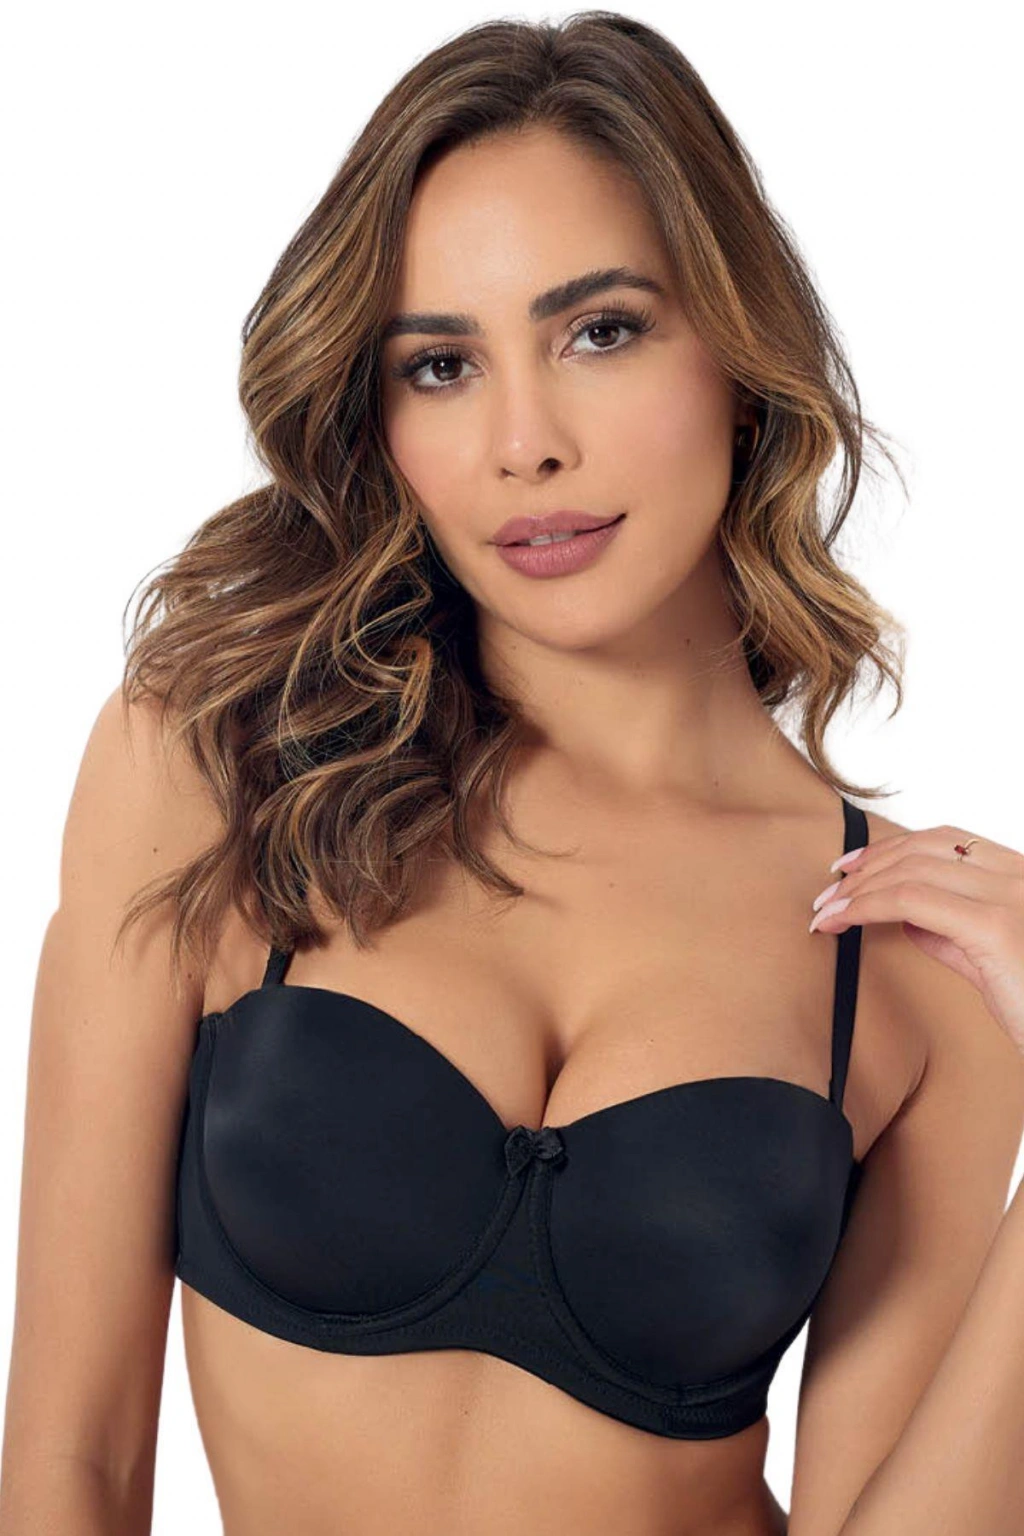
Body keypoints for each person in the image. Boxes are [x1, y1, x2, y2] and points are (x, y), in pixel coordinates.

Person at [3, 13, 1023, 1536]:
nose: (522, 444)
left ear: (741, 362)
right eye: (441, 366)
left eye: (601, 332)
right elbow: (69, 1461)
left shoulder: (920, 950)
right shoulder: (221, 766)